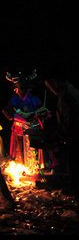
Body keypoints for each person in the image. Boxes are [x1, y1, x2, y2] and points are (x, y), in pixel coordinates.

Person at [42, 68, 79, 203]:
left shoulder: (68, 96)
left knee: (74, 166)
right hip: (71, 137)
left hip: (74, 138)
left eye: (50, 85)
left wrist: (63, 133)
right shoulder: (68, 94)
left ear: (56, 82)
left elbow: (71, 120)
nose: (50, 89)